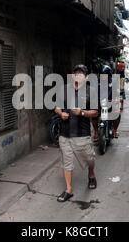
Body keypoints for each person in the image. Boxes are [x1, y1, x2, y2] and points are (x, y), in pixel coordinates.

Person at [53, 64, 99, 202]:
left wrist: (82, 112)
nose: (78, 76)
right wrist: (61, 113)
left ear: (85, 77)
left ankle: (91, 174)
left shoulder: (91, 92)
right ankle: (69, 190)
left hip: (82, 134)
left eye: (81, 73)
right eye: (76, 73)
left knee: (89, 158)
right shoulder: (64, 90)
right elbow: (56, 107)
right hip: (65, 133)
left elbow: (96, 112)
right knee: (67, 162)